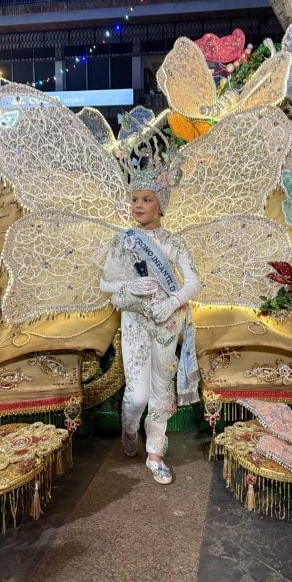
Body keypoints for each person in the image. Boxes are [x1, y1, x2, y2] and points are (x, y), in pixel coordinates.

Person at [99, 161, 200, 484]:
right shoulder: (123, 240)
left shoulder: (174, 242)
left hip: (167, 323)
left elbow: (194, 282)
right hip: (135, 322)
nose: (138, 206)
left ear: (161, 205)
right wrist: (130, 287)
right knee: (137, 395)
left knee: (160, 390)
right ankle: (129, 430)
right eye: (135, 199)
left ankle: (155, 452)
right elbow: (106, 284)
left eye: (146, 199)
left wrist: (174, 300)